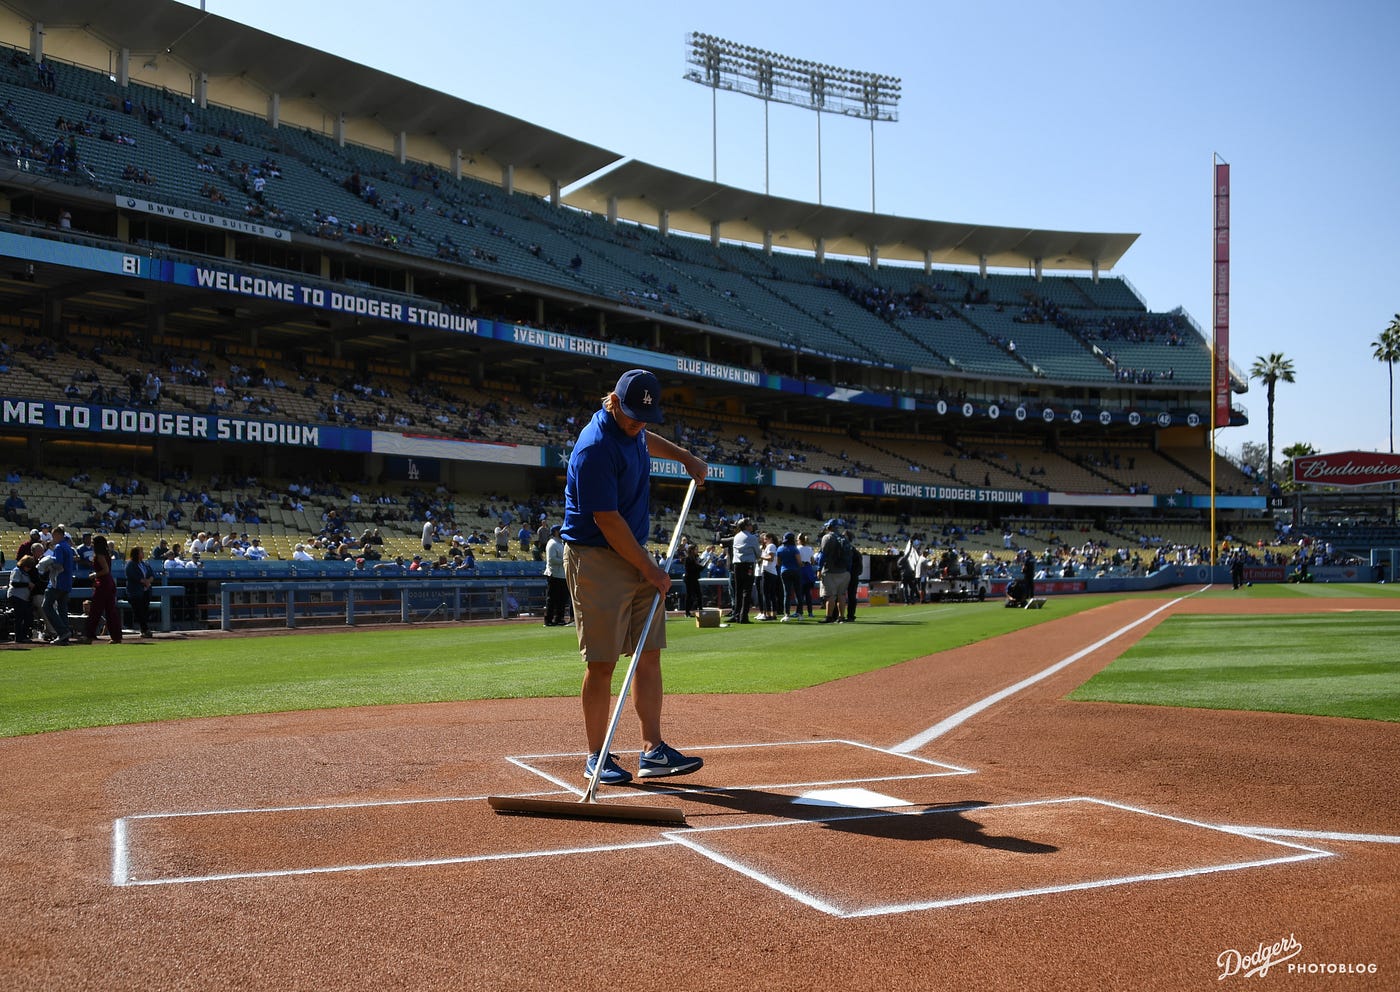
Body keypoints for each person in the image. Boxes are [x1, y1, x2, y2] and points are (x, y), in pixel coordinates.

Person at [561, 369, 707, 786]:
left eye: (645, 417)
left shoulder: (635, 427)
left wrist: (685, 457)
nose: (637, 424)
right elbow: (607, 521)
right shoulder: (594, 447)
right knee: (603, 662)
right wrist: (652, 571)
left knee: (649, 653)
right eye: (630, 415)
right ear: (613, 402)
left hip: (634, 554)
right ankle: (596, 755)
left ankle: (653, 750)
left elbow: (645, 439)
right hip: (597, 558)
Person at [81, 535, 122, 644]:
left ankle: (89, 635)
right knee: (111, 611)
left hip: (103, 584)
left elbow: (105, 570)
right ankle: (116, 636)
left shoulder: (99, 555)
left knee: (95, 610)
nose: (92, 544)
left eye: (94, 542)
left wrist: (94, 575)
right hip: (109, 583)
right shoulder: (106, 554)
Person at [40, 524, 76, 645]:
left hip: (57, 582)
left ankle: (62, 632)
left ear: (58, 535)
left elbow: (58, 565)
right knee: (62, 609)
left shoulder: (59, 547)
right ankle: (64, 636)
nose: (52, 538)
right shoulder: (67, 547)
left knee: (46, 606)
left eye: (54, 535)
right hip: (66, 583)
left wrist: (47, 564)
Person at [817, 519, 850, 623]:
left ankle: (829, 617)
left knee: (830, 596)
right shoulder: (844, 537)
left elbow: (823, 555)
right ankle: (841, 617)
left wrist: (818, 569)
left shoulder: (827, 537)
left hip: (830, 571)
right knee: (841, 595)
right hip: (844, 571)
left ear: (828, 527)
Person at [727, 518, 758, 623]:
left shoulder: (736, 537)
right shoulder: (752, 537)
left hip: (737, 565)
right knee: (747, 591)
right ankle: (743, 616)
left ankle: (736, 614)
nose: (751, 526)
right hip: (748, 565)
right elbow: (758, 553)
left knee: (738, 590)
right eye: (750, 524)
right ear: (746, 526)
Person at [125, 545, 155, 638]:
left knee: (145, 611)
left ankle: (144, 630)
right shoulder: (130, 564)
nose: (143, 553)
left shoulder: (145, 564)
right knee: (139, 611)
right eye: (141, 552)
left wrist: (149, 581)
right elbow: (132, 576)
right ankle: (145, 630)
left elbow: (151, 574)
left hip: (146, 591)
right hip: (135, 592)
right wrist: (144, 581)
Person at [7, 554, 38, 642]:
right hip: (16, 596)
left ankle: (23, 635)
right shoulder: (17, 571)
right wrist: (27, 584)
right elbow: (14, 583)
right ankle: (19, 637)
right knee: (19, 617)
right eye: (27, 566)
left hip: (24, 598)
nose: (29, 568)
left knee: (28, 617)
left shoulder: (26, 573)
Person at [542, 524, 568, 627]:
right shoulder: (552, 543)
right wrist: (565, 561)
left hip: (562, 575)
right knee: (552, 598)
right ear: (556, 532)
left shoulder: (561, 543)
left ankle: (559, 619)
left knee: (562, 599)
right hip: (554, 574)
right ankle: (548, 619)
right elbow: (552, 559)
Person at [774, 532, 803, 620]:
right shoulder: (795, 549)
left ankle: (787, 614)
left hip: (784, 571)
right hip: (795, 571)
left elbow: (778, 563)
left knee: (787, 594)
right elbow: (799, 562)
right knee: (798, 593)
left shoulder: (779, 549)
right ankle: (799, 614)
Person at [844, 529, 862, 622]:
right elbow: (860, 569)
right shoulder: (856, 552)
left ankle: (838, 615)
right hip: (853, 576)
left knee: (840, 595)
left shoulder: (844, 550)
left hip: (844, 574)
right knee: (851, 596)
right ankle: (850, 616)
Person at [682, 541, 702, 616]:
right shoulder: (688, 559)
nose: (697, 551)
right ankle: (687, 612)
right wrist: (699, 566)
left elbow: (698, 569)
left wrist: (702, 565)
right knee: (689, 595)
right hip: (689, 579)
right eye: (696, 549)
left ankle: (700, 610)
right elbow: (690, 569)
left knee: (699, 594)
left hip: (695, 578)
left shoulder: (696, 558)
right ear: (692, 550)